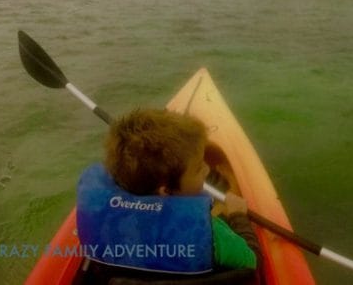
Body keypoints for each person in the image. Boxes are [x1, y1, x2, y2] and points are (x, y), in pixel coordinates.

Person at [76, 108, 259, 282]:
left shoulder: (99, 210)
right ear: (166, 190)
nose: (207, 169)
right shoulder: (213, 233)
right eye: (197, 168)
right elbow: (251, 262)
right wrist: (238, 216)